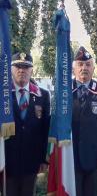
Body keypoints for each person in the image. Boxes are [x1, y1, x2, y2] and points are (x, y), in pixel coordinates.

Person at [5, 52, 50, 196]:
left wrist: (43, 159)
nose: (21, 70)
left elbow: (44, 130)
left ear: (32, 70)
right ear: (11, 69)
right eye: (17, 66)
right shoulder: (3, 94)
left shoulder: (42, 95)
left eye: (26, 67)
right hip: (7, 161)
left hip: (31, 160)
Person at [72, 46, 97, 196]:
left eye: (88, 64)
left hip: (95, 159)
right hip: (71, 158)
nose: (84, 68)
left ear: (94, 68)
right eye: (80, 65)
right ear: (73, 69)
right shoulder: (64, 93)